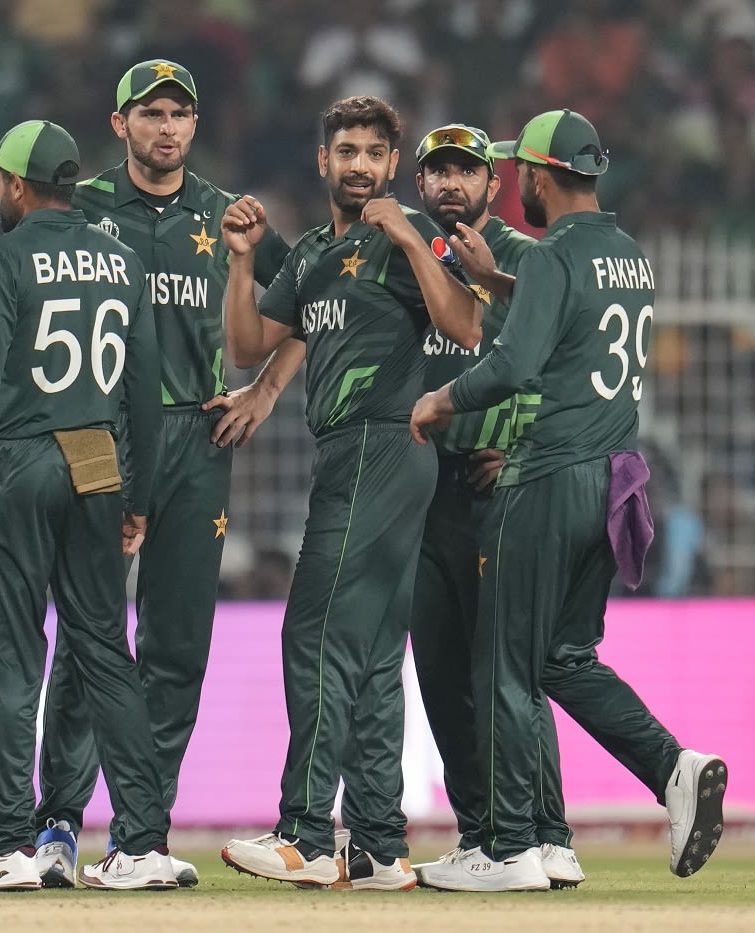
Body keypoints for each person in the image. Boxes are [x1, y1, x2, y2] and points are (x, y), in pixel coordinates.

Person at [410, 109, 728, 892]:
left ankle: (509, 846)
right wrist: (493, 280)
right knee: (562, 657)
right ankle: (671, 767)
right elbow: (570, 315)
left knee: (503, 665)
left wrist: (441, 400)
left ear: (540, 177)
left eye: (523, 172)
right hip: (616, 478)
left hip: (548, 476)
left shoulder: (556, 253)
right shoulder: (627, 256)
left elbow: (515, 364)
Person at [33, 59, 299, 889]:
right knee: (88, 639)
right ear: (119, 125)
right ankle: (56, 824)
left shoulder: (230, 217)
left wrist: (264, 388)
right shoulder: (82, 210)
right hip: (99, 438)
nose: (167, 127)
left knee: (177, 645)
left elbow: (312, 305)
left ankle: (140, 833)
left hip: (195, 435)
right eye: (150, 112)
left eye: (180, 113)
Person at [218, 95, 481, 890]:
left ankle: (302, 832)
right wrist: (239, 257)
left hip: (382, 441)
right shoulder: (308, 257)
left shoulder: (408, 239)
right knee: (366, 654)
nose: (360, 163)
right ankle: (377, 843)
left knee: (314, 632)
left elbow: (467, 325)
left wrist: (408, 234)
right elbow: (243, 346)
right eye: (347, 151)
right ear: (323, 160)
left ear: (391, 165)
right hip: (348, 452)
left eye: (374, 151)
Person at [0, 119, 177, 892]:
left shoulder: (0, 259)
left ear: (13, 184)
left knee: (12, 660)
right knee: (106, 652)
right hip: (97, 461)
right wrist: (138, 494)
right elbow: (146, 391)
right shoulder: (122, 259)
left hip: (16, 459)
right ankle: (142, 843)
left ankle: (10, 844)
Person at [406, 123, 583, 888]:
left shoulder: (527, 259)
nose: (451, 184)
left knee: (511, 671)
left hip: (501, 484)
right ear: (421, 185)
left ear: (492, 185)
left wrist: (519, 447)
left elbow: (562, 367)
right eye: (437, 171)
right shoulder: (402, 256)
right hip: (424, 492)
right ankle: (482, 833)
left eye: (465, 172)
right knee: (443, 672)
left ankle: (548, 833)